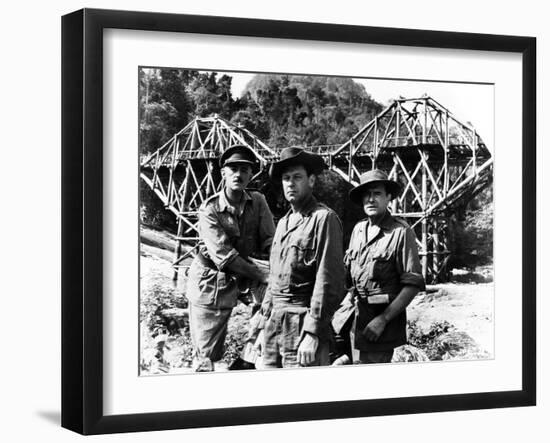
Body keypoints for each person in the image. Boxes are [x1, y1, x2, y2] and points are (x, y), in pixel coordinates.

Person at [185, 144, 275, 371]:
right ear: (223, 173)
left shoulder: (258, 201)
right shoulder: (210, 210)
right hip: (211, 281)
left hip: (246, 274)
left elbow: (269, 240)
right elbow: (225, 258)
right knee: (207, 357)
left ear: (251, 174)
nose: (239, 174)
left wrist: (277, 269)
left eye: (245, 169)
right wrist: (265, 275)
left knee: (278, 302)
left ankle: (246, 361)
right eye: (233, 168)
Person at [256, 147, 345, 368]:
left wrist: (313, 332)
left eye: (297, 177)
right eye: (286, 178)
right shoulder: (283, 223)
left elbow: (329, 281)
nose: (290, 183)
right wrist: (261, 323)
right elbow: (274, 278)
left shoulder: (323, 219)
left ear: (311, 181)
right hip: (273, 325)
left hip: (302, 324)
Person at [343, 169, 425, 364]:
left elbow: (412, 285)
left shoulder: (401, 232)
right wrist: (346, 301)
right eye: (367, 194)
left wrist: (383, 320)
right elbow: (350, 277)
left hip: (382, 328)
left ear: (388, 197)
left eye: (377, 193)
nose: (371, 199)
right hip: (355, 322)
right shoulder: (358, 229)